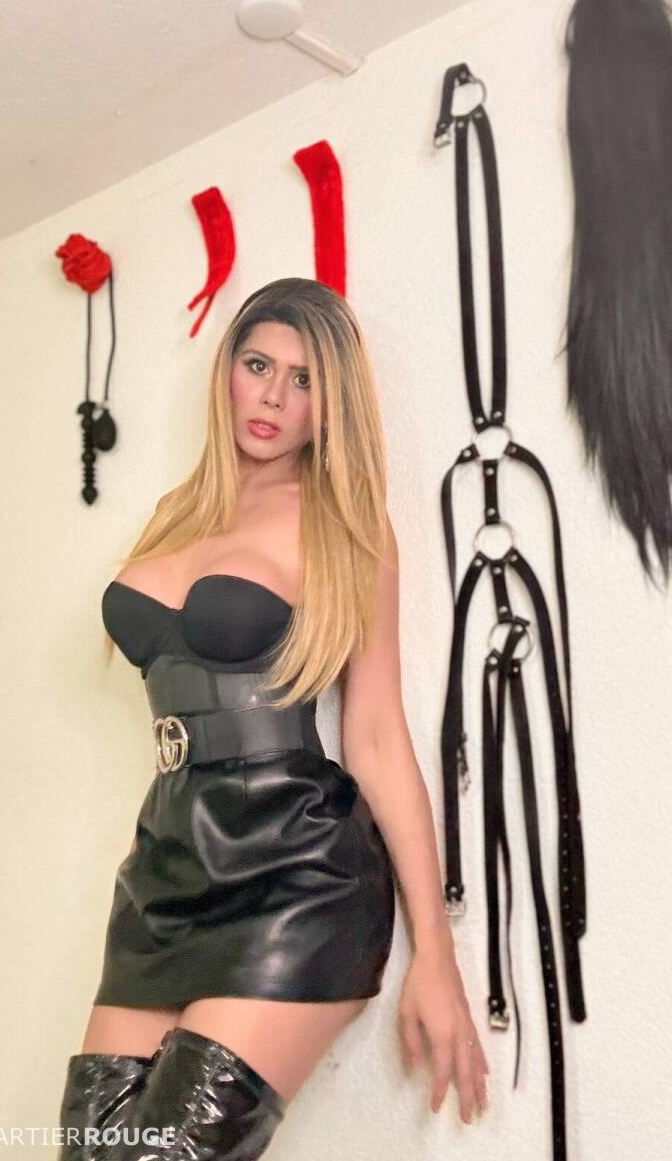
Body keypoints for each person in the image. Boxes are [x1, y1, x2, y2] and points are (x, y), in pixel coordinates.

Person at [56, 277, 489, 1159]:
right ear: (228, 369)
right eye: (258, 366)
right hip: (167, 863)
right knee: (91, 1152)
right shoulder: (175, 515)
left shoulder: (345, 525)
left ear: (331, 407)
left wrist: (435, 956)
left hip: (296, 870)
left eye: (304, 380)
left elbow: (375, 736)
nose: (274, 397)